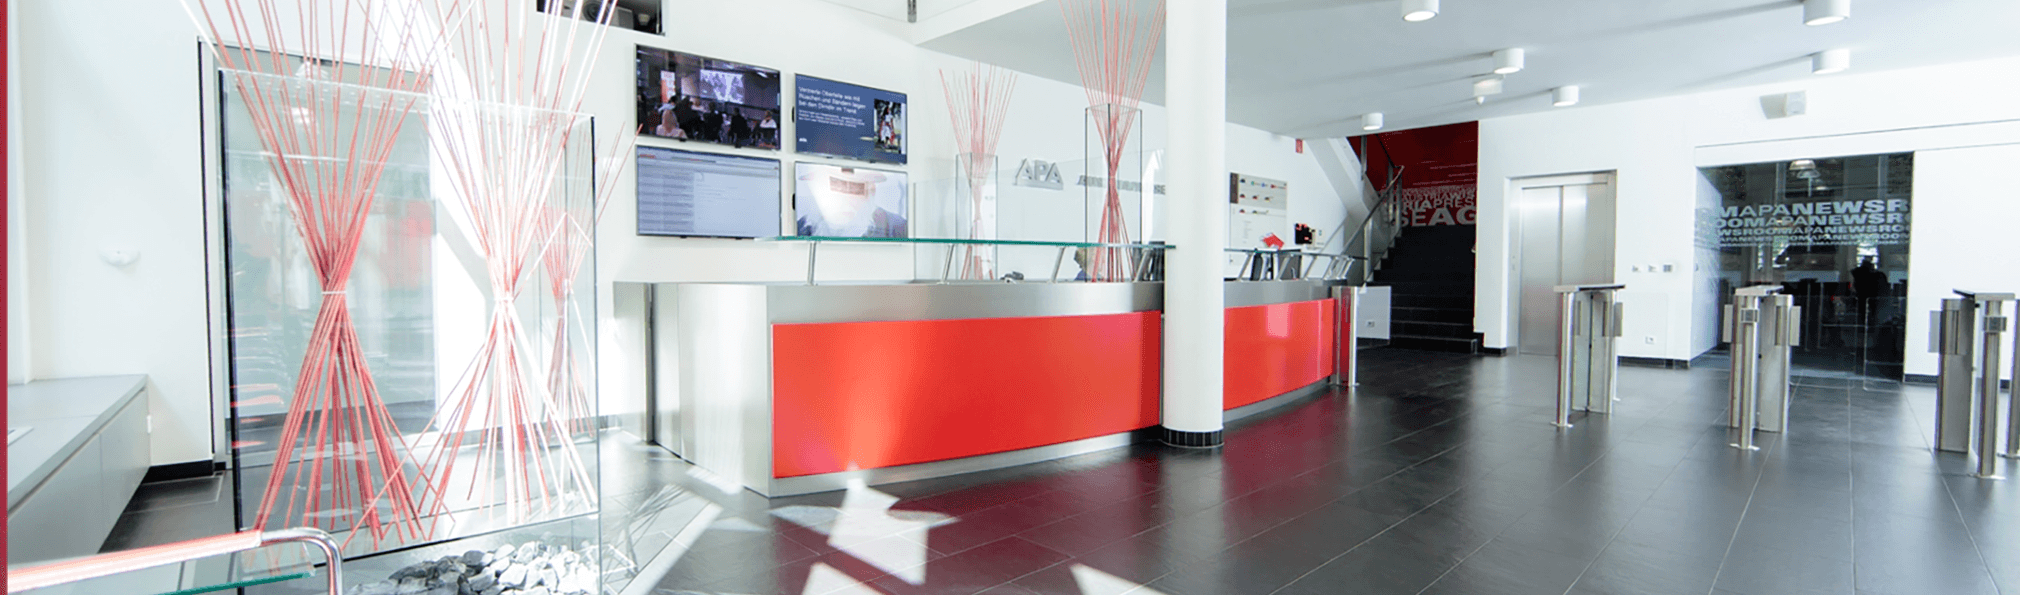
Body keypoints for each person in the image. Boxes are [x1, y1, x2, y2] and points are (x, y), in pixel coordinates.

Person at [796, 167, 907, 238]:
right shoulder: (802, 227)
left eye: (854, 188)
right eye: (835, 186)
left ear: (871, 191)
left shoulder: (897, 228)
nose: (844, 198)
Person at [1850, 256, 1887, 326]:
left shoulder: (1858, 274)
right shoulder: (1865, 274)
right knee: (1869, 314)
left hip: (1865, 297)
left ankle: (1864, 325)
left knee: (1863, 314)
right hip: (1869, 297)